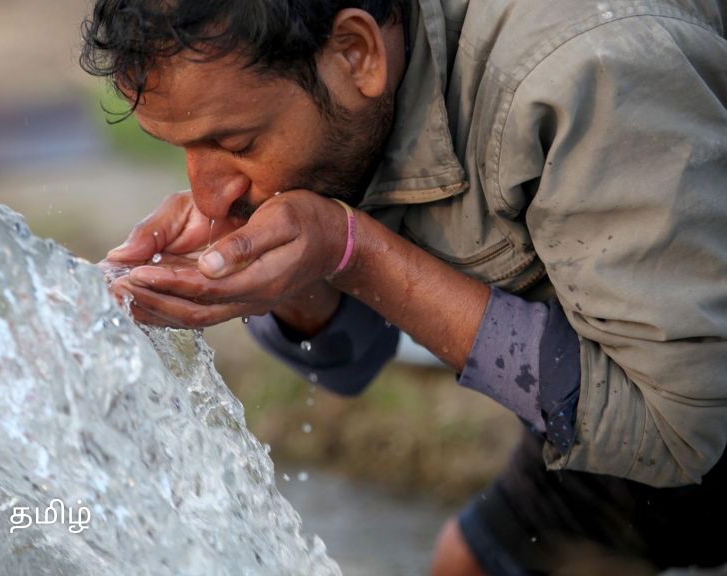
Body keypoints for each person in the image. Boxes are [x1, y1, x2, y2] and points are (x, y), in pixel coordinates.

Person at [79, 0, 727, 573]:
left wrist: (354, 251)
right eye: (183, 149)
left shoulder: (585, 70)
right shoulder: (365, 89)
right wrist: (289, 273)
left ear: (355, 53)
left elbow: (676, 428)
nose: (207, 193)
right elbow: (354, 363)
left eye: (236, 142)